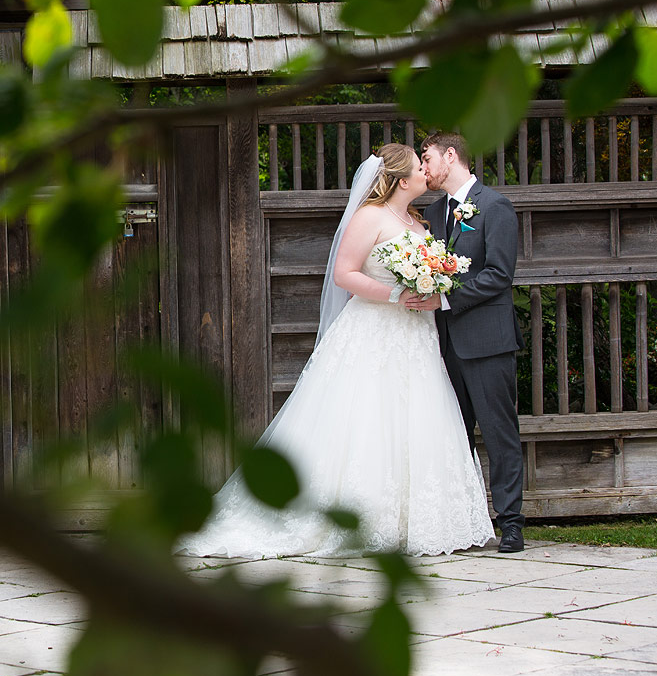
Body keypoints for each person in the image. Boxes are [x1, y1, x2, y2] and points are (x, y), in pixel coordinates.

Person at [176, 144, 494, 559]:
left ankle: (413, 522)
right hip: (374, 330)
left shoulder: (417, 220)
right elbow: (345, 274)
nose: (426, 174)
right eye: (420, 168)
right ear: (401, 181)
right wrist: (395, 292)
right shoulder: (369, 217)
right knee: (365, 417)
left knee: (417, 415)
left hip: (416, 334)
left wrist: (430, 284)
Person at [405, 132, 525, 553]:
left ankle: (511, 524)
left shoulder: (495, 206)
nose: (423, 167)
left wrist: (444, 298)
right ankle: (463, 524)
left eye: (427, 157)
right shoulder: (433, 214)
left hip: (488, 342)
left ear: (450, 155)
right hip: (442, 345)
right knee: (453, 437)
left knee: (498, 434)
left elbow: (499, 275)